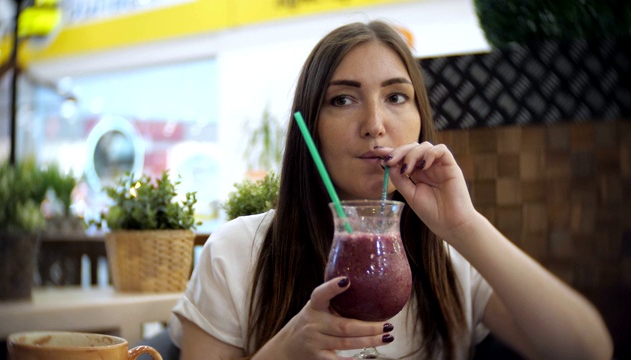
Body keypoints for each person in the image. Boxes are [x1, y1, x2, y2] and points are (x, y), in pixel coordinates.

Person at [169, 20, 613, 360]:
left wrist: (463, 225)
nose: (375, 126)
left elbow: (589, 351)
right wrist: (283, 351)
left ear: (421, 117)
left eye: (396, 97)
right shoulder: (238, 254)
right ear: (311, 126)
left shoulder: (451, 260)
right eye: (343, 99)